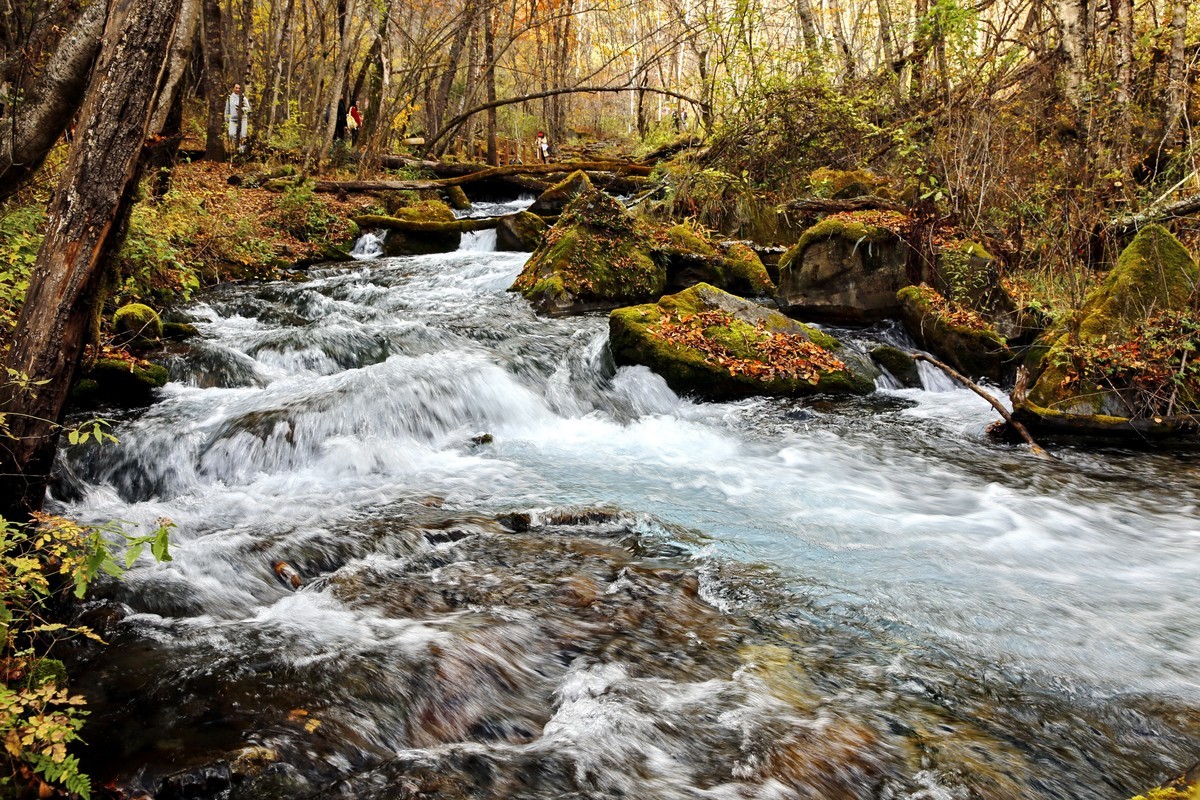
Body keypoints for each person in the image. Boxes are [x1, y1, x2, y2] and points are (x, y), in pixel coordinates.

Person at [225, 83, 250, 152]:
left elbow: (248, 109)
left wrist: (241, 109)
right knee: (231, 134)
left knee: (243, 135)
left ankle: (242, 151)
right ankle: (239, 148)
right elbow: (227, 109)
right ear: (233, 88)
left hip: (243, 119)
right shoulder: (229, 98)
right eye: (236, 88)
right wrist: (226, 118)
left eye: (239, 88)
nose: (237, 89)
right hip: (233, 119)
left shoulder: (243, 98)